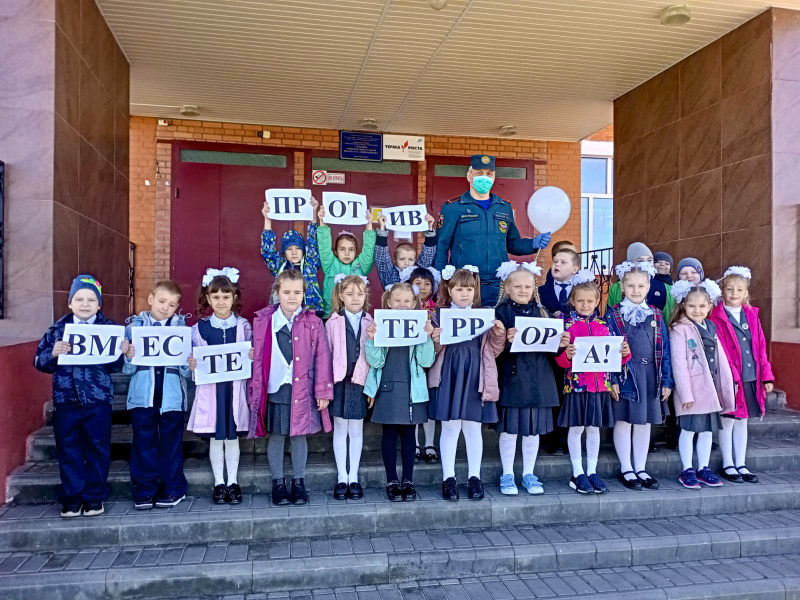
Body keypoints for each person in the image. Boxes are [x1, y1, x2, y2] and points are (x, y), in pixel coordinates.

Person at [34, 275, 129, 518]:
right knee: (69, 450)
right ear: (70, 303)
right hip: (66, 401)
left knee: (98, 449)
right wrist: (53, 354)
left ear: (99, 305)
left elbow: (116, 366)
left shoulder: (110, 330)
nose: (85, 304)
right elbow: (39, 362)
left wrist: (124, 353)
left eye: (91, 300)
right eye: (79, 299)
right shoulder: (57, 330)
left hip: (98, 401)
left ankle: (94, 497)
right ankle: (72, 498)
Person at [248, 269, 333, 505]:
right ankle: (278, 482)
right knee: (276, 436)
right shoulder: (264, 320)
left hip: (302, 389)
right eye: (286, 292)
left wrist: (323, 391)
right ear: (277, 293)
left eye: (297, 292)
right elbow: (255, 353)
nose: (292, 297)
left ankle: (298, 482)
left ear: (304, 294)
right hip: (275, 388)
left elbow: (322, 357)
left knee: (298, 437)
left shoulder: (314, 322)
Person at [428, 266, 506, 501]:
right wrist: (435, 339)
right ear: (449, 290)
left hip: (476, 375)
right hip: (449, 373)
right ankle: (448, 477)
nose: (464, 294)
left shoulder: (485, 314)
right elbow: (430, 353)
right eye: (459, 289)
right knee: (450, 427)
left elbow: (494, 350)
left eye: (469, 289)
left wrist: (498, 335)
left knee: (473, 428)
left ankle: (474, 477)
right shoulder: (438, 315)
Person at [433, 154, 551, 306]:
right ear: (469, 176)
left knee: (498, 327)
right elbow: (441, 246)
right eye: (479, 173)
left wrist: (533, 244)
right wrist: (441, 280)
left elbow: (511, 243)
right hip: (466, 286)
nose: (485, 178)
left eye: (489, 174)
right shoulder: (453, 207)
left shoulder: (504, 207)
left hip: (498, 284)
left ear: (494, 177)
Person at [556, 270, 629, 494]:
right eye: (580, 301)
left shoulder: (604, 325)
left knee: (594, 429)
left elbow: (616, 357)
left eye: (590, 301)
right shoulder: (566, 326)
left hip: (599, 387)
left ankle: (592, 470)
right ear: (572, 301)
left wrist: (625, 353)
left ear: (598, 301)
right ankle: (577, 472)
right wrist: (566, 354)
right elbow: (560, 362)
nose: (585, 305)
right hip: (577, 387)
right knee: (577, 429)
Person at [364, 282, 436, 501]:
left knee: (408, 435)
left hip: (413, 389)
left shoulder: (421, 325)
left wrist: (426, 337)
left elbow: (426, 360)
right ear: (388, 302)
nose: (402, 305)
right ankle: (392, 480)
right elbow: (375, 362)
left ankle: (408, 479)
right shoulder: (382, 325)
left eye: (407, 301)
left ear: (415, 304)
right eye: (397, 301)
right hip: (387, 387)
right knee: (390, 433)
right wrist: (371, 339)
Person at [123, 280, 191, 509]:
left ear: (177, 307)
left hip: (171, 399)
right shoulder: (134, 328)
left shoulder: (182, 331)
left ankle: (173, 488)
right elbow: (127, 369)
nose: (165, 307)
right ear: (151, 299)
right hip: (143, 397)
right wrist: (129, 355)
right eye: (162, 301)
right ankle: (145, 489)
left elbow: (186, 373)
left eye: (172, 304)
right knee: (144, 443)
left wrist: (189, 364)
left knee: (171, 444)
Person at [606, 261, 673, 490]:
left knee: (644, 423)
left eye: (641, 286)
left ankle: (641, 467)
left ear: (648, 288)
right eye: (631, 285)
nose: (636, 290)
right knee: (624, 421)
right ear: (622, 287)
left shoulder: (655, 314)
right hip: (626, 375)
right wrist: (612, 379)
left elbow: (664, 348)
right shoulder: (614, 314)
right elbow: (608, 349)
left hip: (650, 375)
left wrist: (666, 380)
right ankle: (626, 468)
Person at [494, 261, 559, 495]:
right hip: (512, 380)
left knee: (532, 432)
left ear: (534, 289)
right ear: (507, 288)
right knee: (510, 430)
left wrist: (561, 345)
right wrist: (502, 339)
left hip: (540, 381)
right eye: (518, 286)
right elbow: (491, 352)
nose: (523, 290)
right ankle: (507, 474)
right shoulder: (499, 314)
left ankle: (529, 474)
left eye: (528, 286)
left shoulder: (543, 313)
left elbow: (553, 353)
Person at [187, 268, 252, 505]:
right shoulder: (199, 329)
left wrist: (252, 355)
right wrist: (192, 363)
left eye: (226, 296)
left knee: (231, 436)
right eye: (216, 297)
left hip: (233, 389)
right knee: (216, 437)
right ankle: (219, 483)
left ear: (234, 298)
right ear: (208, 298)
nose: (221, 301)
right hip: (213, 392)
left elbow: (250, 358)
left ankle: (233, 482)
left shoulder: (243, 327)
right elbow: (191, 360)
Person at [710, 266, 774, 484]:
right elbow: (719, 351)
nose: (734, 293)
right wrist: (729, 377)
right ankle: (728, 463)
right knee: (727, 421)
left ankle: (741, 463)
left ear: (746, 292)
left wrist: (766, 376)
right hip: (730, 379)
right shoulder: (716, 317)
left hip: (750, 378)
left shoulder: (751, 315)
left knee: (742, 422)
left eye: (739, 289)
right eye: (729, 289)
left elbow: (761, 348)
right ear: (722, 291)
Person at [669, 280, 735, 489]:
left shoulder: (711, 327)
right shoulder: (680, 329)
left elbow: (721, 357)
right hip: (694, 391)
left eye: (702, 306)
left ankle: (703, 468)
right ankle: (687, 469)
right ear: (683, 306)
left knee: (707, 431)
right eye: (691, 306)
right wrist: (685, 394)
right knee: (689, 431)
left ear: (709, 306)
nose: (697, 310)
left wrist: (727, 383)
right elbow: (679, 363)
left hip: (711, 389)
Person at [325, 274, 372, 500]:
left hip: (359, 382)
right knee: (340, 429)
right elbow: (326, 355)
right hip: (338, 382)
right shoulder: (332, 322)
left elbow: (376, 357)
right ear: (341, 296)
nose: (355, 298)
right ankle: (341, 477)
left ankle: (353, 476)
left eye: (360, 294)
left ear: (366, 296)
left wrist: (372, 388)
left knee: (356, 430)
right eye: (350, 294)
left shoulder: (371, 322)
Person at [402, 266, 441, 463]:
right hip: (412, 362)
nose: (423, 287)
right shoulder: (408, 308)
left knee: (429, 403)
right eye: (418, 283)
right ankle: (415, 443)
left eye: (427, 284)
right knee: (415, 402)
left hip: (431, 361)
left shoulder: (438, 309)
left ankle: (430, 443)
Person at [260, 197, 323, 314]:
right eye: (289, 249)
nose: (294, 252)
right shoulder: (279, 265)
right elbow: (268, 251)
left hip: (310, 313)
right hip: (283, 313)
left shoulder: (310, 263)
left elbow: (313, 241)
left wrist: (313, 212)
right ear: (284, 253)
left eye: (298, 248)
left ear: (303, 251)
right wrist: (267, 219)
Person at [318, 206, 376, 318]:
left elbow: (369, 251)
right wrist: (322, 222)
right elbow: (324, 246)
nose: (347, 253)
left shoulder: (361, 265)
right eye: (342, 249)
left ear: (356, 251)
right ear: (336, 250)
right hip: (330, 317)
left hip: (355, 317)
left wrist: (369, 226)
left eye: (351, 249)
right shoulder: (330, 264)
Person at [606, 242, 675, 321]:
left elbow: (667, 318)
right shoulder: (617, 287)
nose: (645, 263)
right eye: (640, 260)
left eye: (649, 260)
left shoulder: (664, 287)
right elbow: (609, 315)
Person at [375, 213, 437, 289]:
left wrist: (429, 228)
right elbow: (381, 256)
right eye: (402, 259)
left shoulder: (418, 271)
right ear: (394, 260)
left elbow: (428, 254)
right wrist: (382, 229)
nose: (407, 263)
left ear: (415, 260)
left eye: (410, 259)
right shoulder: (389, 273)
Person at [538, 248, 580, 317]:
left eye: (563, 262)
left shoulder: (582, 290)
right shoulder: (540, 291)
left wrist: (566, 315)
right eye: (555, 261)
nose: (557, 264)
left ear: (574, 269)